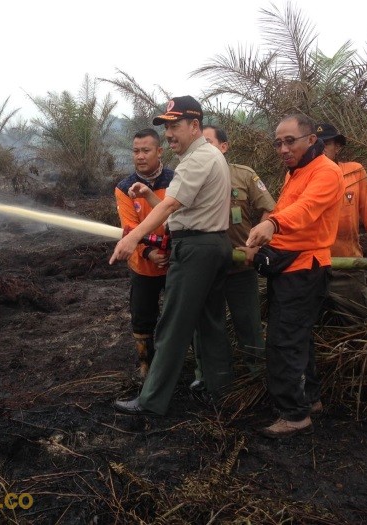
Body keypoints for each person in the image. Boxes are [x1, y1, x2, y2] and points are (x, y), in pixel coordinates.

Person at [109, 95, 232, 417]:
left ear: (195, 125)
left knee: (172, 326)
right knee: (209, 322)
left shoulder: (196, 159)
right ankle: (218, 389)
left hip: (196, 249)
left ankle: (151, 401)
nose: (170, 134)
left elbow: (170, 206)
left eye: (175, 126)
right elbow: (180, 203)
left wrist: (133, 237)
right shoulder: (207, 156)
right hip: (214, 245)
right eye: (166, 127)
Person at [245, 114, 344, 438]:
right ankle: (310, 399)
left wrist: (271, 225)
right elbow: (283, 208)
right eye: (278, 143)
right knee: (299, 336)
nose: (283, 148)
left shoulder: (326, 172)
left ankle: (294, 414)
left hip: (306, 268)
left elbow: (304, 210)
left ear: (311, 140)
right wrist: (259, 239)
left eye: (290, 141)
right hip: (288, 265)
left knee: (283, 340)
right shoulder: (297, 172)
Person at [191, 126, 276, 397]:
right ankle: (209, 378)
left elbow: (271, 210)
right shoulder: (190, 174)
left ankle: (257, 377)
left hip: (240, 267)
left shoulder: (244, 175)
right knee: (205, 328)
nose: (202, 149)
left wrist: (254, 242)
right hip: (205, 269)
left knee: (248, 323)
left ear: (224, 147)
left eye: (208, 142)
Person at [316, 122, 367, 322]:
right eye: (316, 144)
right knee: (315, 324)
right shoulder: (300, 176)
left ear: (337, 147)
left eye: (326, 143)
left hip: (347, 264)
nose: (321, 149)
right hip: (312, 266)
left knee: (359, 320)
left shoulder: (354, 173)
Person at [114, 128, 174, 378]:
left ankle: (182, 363)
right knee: (142, 317)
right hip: (143, 264)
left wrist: (170, 250)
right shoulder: (124, 187)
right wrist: (149, 252)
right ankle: (145, 366)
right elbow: (129, 227)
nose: (140, 156)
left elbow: (180, 217)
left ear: (159, 151)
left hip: (174, 262)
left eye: (146, 150)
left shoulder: (175, 181)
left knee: (177, 314)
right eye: (136, 151)